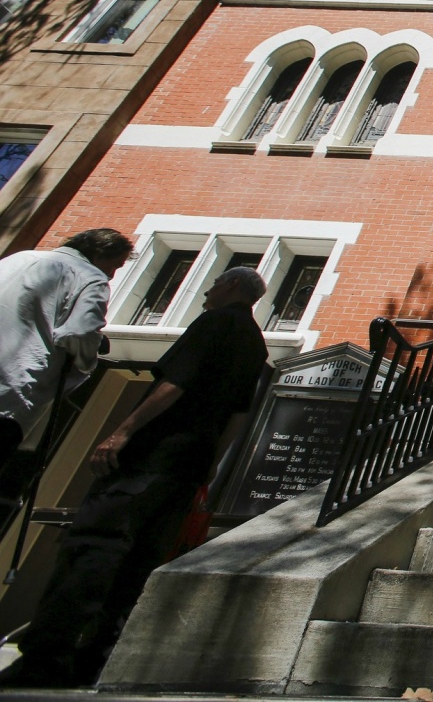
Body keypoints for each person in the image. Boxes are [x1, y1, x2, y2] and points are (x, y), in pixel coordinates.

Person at [0, 265, 269, 689]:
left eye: (215, 283)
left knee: (94, 546)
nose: (208, 290)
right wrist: (212, 465)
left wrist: (122, 432)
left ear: (232, 286)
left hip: (151, 455)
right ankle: (97, 657)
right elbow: (239, 412)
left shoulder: (213, 322)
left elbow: (175, 383)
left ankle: (48, 656)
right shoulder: (255, 344)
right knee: (139, 563)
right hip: (188, 467)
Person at [0, 228, 133, 471]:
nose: (112, 275)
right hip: (9, 394)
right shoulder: (91, 278)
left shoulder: (17, 258)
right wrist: (89, 355)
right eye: (115, 265)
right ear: (100, 253)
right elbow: (79, 333)